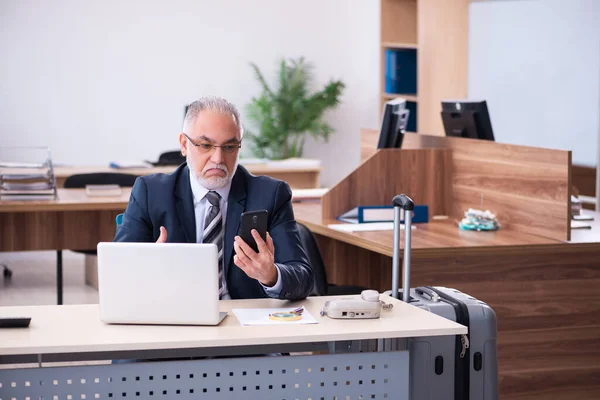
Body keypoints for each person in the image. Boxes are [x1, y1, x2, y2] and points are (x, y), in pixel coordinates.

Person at [114, 96, 313, 301]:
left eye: (229, 147)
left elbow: (303, 278)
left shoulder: (270, 194)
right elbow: (117, 272)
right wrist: (145, 269)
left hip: (243, 322)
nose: (218, 159)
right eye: (206, 145)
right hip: (175, 315)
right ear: (184, 144)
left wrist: (271, 275)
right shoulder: (150, 193)